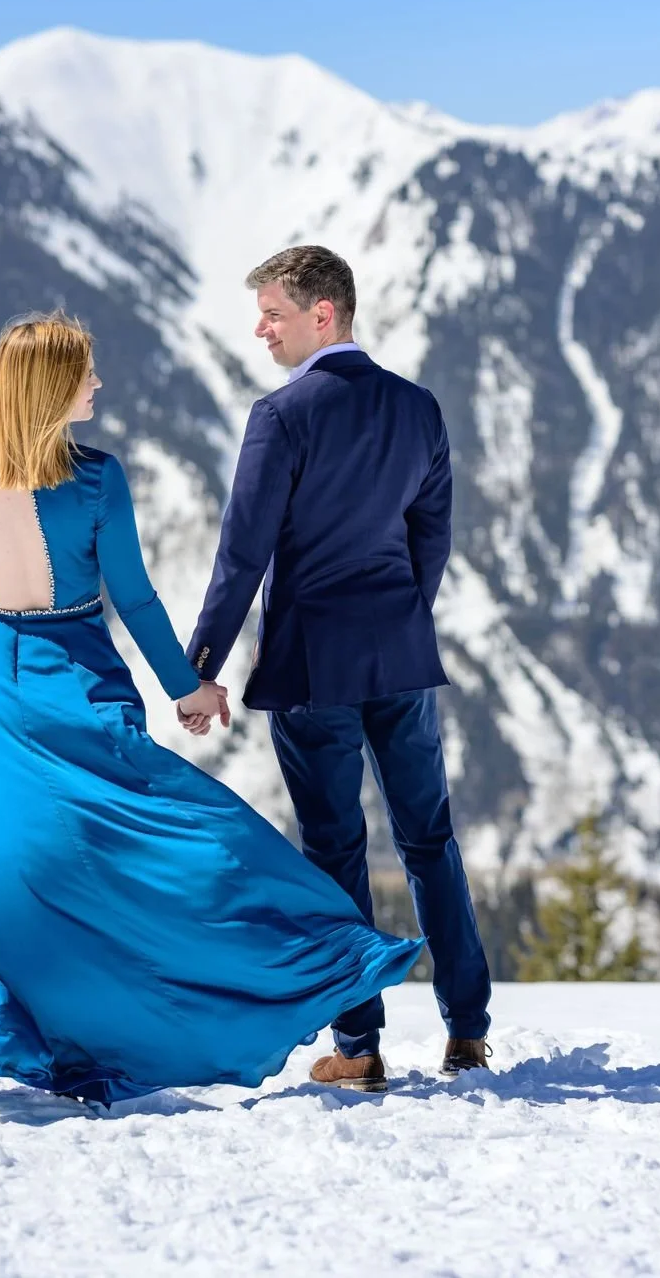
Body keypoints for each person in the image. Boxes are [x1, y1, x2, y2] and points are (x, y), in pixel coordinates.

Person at [0, 310, 420, 1104]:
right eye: (85, 372)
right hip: (71, 683)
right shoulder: (94, 479)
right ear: (52, 388)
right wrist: (189, 688)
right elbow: (136, 600)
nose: (98, 383)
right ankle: (322, 956)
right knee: (182, 836)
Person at [184, 246, 492, 1090]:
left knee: (335, 851)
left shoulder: (282, 417)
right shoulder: (420, 408)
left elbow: (241, 555)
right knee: (430, 840)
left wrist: (201, 664)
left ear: (325, 315)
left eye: (273, 314)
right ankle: (468, 1029)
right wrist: (397, 617)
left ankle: (358, 1045)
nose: (260, 330)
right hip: (401, 657)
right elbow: (431, 540)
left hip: (313, 665)